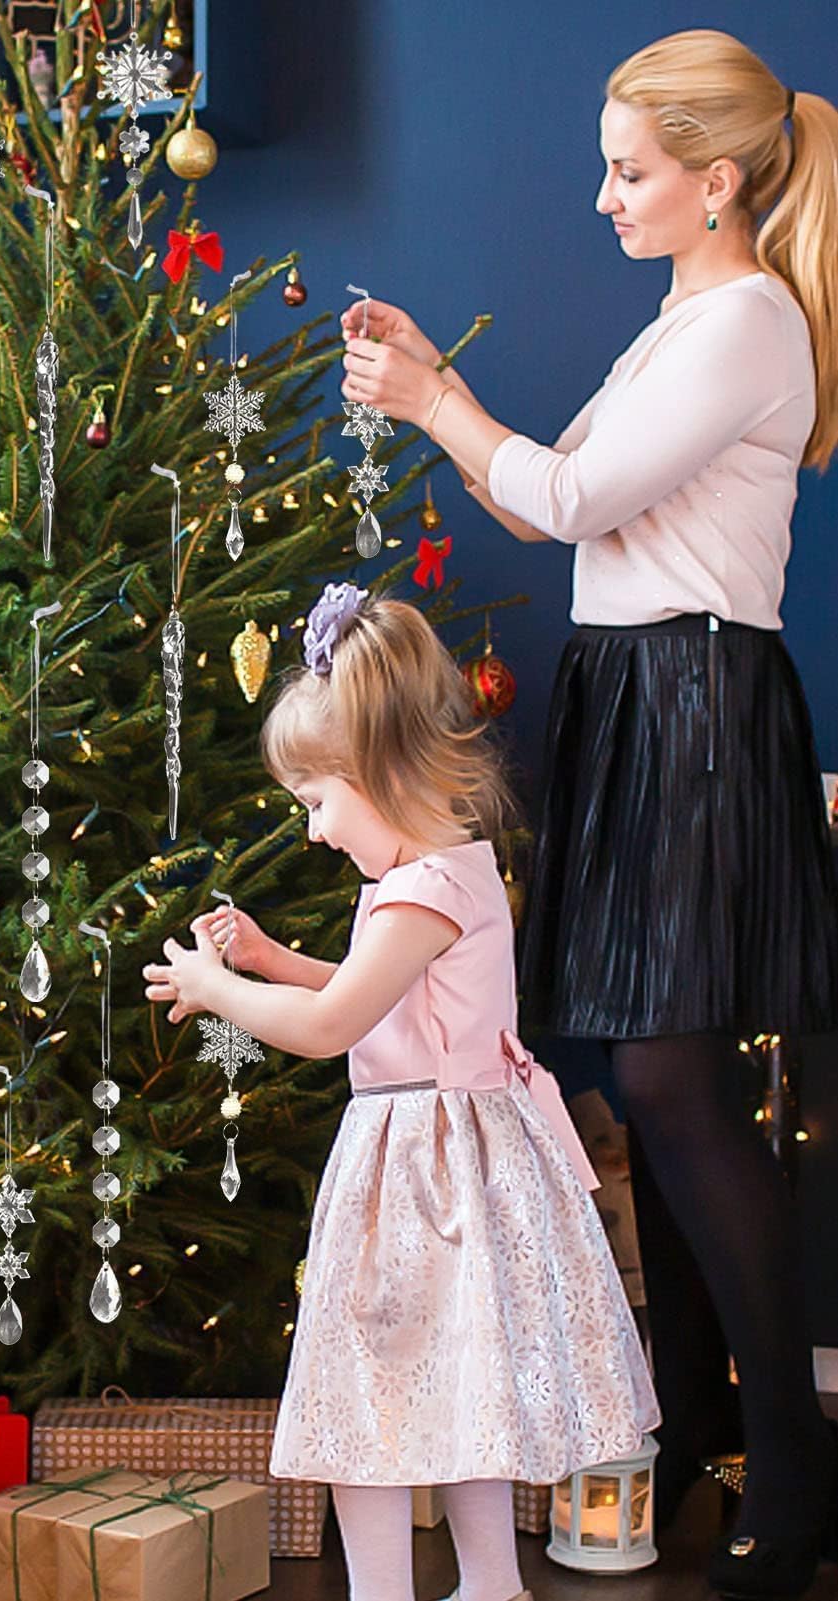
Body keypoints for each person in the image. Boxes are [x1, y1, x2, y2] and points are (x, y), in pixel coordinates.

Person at [336, 29, 838, 1598]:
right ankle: (693, 1416)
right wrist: (453, 401)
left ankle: (800, 1465)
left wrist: (433, 399)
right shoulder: (687, 315)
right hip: (643, 694)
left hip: (691, 702)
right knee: (646, 1073)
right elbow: (556, 487)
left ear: (717, 180)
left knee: (673, 1078)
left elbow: (561, 502)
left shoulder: (743, 320)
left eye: (629, 171)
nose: (604, 195)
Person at [144, 588, 658, 1601]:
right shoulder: (431, 877)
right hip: (433, 1155)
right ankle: (485, 1585)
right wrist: (268, 954)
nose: (314, 831)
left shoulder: (422, 890)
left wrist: (218, 989)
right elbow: (362, 995)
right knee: (455, 1396)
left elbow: (334, 1026)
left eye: (317, 802)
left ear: (374, 770)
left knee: (364, 1401)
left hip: (423, 1173)